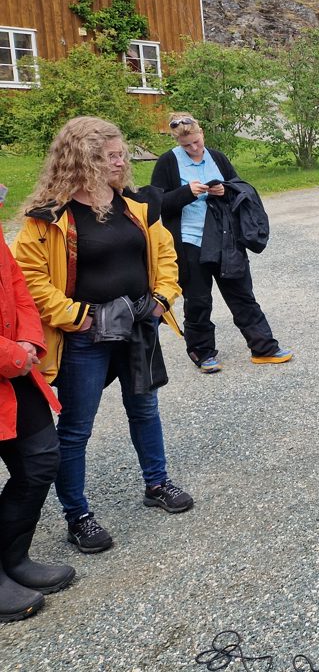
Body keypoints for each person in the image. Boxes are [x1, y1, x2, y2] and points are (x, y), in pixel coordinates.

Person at [12, 117, 192, 555]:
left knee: (144, 409)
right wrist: (80, 317)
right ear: (82, 160)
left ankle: (156, 483)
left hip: (137, 325)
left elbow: (165, 254)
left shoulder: (136, 204)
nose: (120, 161)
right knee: (76, 427)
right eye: (110, 156)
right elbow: (31, 279)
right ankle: (77, 516)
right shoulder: (49, 217)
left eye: (120, 153)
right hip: (85, 337)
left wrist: (162, 299)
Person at [150, 116, 292, 374]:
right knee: (198, 301)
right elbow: (156, 204)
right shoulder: (168, 162)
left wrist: (225, 190)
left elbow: (240, 189)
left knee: (242, 294)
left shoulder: (217, 157)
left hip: (226, 239)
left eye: (196, 142)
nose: (194, 148)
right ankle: (203, 354)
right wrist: (186, 193)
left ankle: (264, 348)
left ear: (202, 133)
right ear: (178, 142)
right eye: (187, 145)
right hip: (189, 242)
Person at [0, 182, 74, 621]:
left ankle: (14, 558)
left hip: (16, 367)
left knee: (41, 459)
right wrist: (11, 354)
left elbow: (16, 284)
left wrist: (29, 338)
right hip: (8, 362)